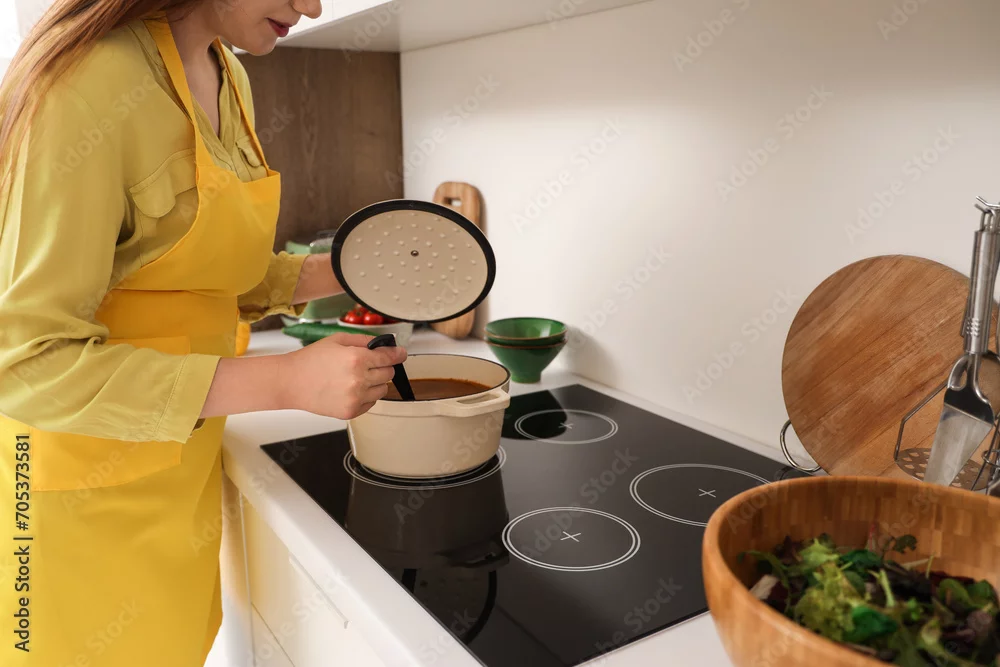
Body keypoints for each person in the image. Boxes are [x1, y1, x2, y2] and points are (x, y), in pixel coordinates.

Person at [0, 0, 407, 664]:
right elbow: (23, 362)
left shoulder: (228, 72)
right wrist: (284, 380)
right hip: (70, 497)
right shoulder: (83, 83)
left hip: (175, 475)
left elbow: (200, 274)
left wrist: (348, 267)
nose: (313, 7)